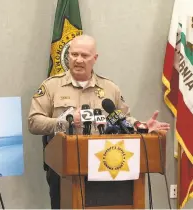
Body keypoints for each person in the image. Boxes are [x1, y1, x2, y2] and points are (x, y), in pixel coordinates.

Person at [27, 34, 170, 209]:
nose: (78, 60)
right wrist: (64, 122)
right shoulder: (51, 87)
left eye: (85, 56)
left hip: (106, 169)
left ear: (95, 58)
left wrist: (141, 126)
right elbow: (33, 122)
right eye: (74, 54)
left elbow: (121, 119)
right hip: (64, 170)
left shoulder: (109, 89)